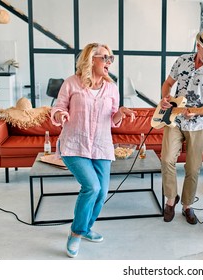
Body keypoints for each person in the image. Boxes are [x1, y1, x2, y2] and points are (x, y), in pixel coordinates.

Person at [51, 43, 135, 258]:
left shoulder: (112, 88)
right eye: (105, 58)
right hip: (74, 144)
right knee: (91, 187)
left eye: (110, 58)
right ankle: (76, 233)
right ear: (91, 59)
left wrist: (121, 113)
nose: (109, 62)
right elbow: (58, 107)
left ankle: (85, 227)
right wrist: (61, 115)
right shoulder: (71, 83)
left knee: (102, 192)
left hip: (101, 145)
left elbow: (113, 119)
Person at [160, 27, 203, 225]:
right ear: (198, 46)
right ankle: (171, 199)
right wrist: (165, 98)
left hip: (199, 123)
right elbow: (168, 83)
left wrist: (196, 111)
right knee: (166, 159)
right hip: (175, 119)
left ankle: (187, 205)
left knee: (193, 168)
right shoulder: (182, 60)